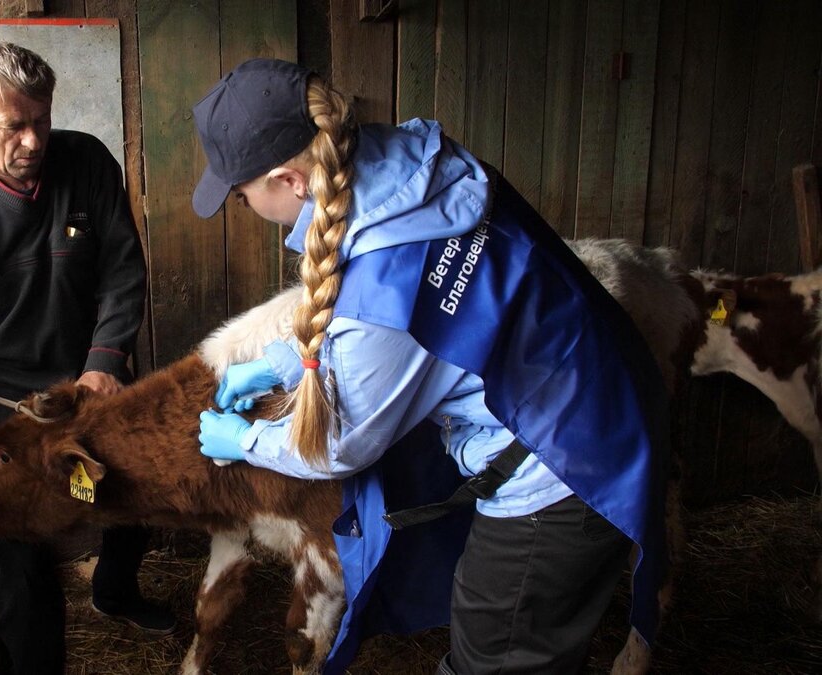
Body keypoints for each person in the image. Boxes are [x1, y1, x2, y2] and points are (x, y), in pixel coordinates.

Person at [191, 58, 668, 674]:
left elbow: (339, 446)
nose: (243, 204)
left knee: (497, 656)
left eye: (241, 193)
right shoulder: (410, 170)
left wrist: (248, 438)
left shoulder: (386, 280)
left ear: (290, 180)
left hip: (561, 472)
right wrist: (285, 364)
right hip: (603, 399)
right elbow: (412, 323)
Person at [0, 43, 173, 675]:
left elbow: (121, 273)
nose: (33, 140)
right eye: (13, 125)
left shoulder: (86, 164)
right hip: (4, 400)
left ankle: (115, 592)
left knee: (136, 491)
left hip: (88, 381)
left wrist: (107, 362)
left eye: (42, 119)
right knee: (18, 545)